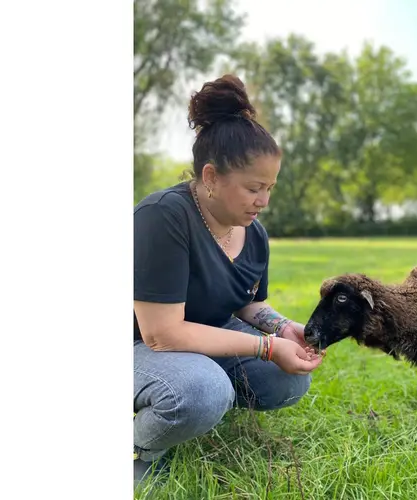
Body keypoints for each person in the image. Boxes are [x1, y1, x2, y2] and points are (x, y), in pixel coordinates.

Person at [133, 74, 324, 484]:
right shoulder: (164, 216)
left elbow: (248, 302)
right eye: (254, 188)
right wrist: (267, 347)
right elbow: (161, 335)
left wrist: (284, 328)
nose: (264, 201)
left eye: (270, 188)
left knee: (288, 381)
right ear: (211, 177)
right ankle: (140, 447)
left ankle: (189, 409)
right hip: (137, 344)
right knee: (202, 392)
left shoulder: (254, 233)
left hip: (204, 334)